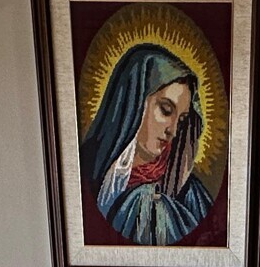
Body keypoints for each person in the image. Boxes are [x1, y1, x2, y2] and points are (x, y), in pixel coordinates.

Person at [79, 42, 215, 245]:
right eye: (166, 110)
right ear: (134, 100)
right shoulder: (86, 173)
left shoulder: (189, 194)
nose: (173, 130)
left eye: (181, 120)